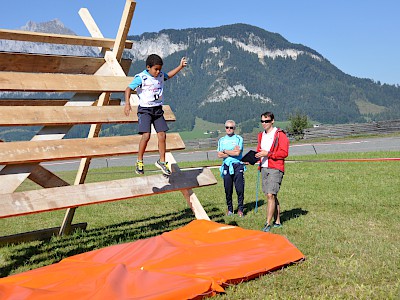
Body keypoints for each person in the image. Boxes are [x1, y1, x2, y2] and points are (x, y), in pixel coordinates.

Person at [124, 54, 187, 175]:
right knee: (146, 136)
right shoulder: (142, 77)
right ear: (148, 67)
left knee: (162, 135)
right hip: (145, 110)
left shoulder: (161, 75)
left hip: (157, 110)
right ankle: (139, 161)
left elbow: (169, 75)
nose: (158, 72)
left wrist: (180, 67)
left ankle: (162, 161)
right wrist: (127, 103)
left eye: (159, 69)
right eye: (155, 69)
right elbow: (128, 89)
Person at [255, 112, 289, 232]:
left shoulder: (280, 135)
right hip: (263, 167)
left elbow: (284, 153)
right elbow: (259, 151)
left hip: (276, 167)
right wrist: (254, 158)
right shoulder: (261, 135)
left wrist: (268, 154)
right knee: (272, 195)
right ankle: (278, 221)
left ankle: (267, 223)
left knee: (270, 194)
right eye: (262, 121)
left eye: (267, 121)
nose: (264, 124)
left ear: (272, 121)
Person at [217, 120, 245, 217]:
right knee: (228, 189)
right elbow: (219, 155)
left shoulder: (238, 139)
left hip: (237, 165)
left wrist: (225, 151)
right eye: (227, 127)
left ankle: (240, 209)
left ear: (234, 128)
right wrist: (231, 151)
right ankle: (230, 209)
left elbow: (237, 153)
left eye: (231, 127)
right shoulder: (221, 140)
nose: (229, 129)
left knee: (239, 188)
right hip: (226, 166)